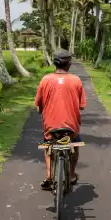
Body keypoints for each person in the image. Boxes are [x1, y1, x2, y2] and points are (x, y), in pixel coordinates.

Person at [34, 49, 86, 191]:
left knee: (48, 145)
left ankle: (50, 175)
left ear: (55, 63)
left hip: (51, 128)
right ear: (69, 64)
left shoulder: (45, 80)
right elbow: (81, 106)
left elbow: (38, 106)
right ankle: (72, 174)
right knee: (75, 146)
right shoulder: (76, 80)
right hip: (71, 129)